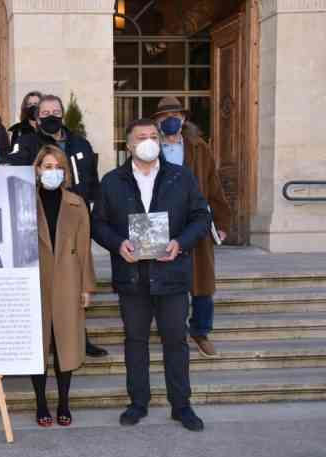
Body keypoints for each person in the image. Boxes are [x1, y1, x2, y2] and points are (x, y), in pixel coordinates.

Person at [91, 118, 210, 432]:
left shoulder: (181, 177)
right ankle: (137, 403)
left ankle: (181, 406)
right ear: (129, 145)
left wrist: (180, 242)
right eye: (141, 137)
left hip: (171, 273)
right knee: (135, 341)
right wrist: (117, 244)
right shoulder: (112, 181)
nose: (148, 141)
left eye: (153, 136)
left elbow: (200, 217)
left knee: (175, 341)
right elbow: (98, 224)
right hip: (132, 275)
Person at [7, 94, 107, 358]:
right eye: (45, 112)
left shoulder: (80, 143)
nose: (51, 115)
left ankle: (79, 338)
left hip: (75, 217)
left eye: (55, 111)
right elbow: (12, 170)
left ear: (62, 114)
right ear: (36, 117)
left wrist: (93, 204)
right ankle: (45, 339)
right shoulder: (27, 142)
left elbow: (92, 178)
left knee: (74, 278)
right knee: (48, 284)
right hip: (43, 216)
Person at [152, 97, 232, 358]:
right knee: (163, 276)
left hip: (195, 222)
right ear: (157, 122)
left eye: (175, 115)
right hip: (160, 223)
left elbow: (214, 186)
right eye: (164, 117)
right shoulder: (149, 147)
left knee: (202, 281)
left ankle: (200, 330)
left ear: (184, 119)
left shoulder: (199, 147)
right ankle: (169, 328)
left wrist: (221, 221)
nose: (170, 120)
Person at [32, 145, 96, 427]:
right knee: (38, 344)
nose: (53, 172)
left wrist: (86, 287)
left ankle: (63, 402)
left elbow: (84, 248)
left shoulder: (76, 203)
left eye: (58, 167)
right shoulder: (23, 201)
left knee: (65, 343)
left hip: (69, 280)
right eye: (47, 166)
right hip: (35, 281)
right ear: (37, 170)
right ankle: (41, 403)